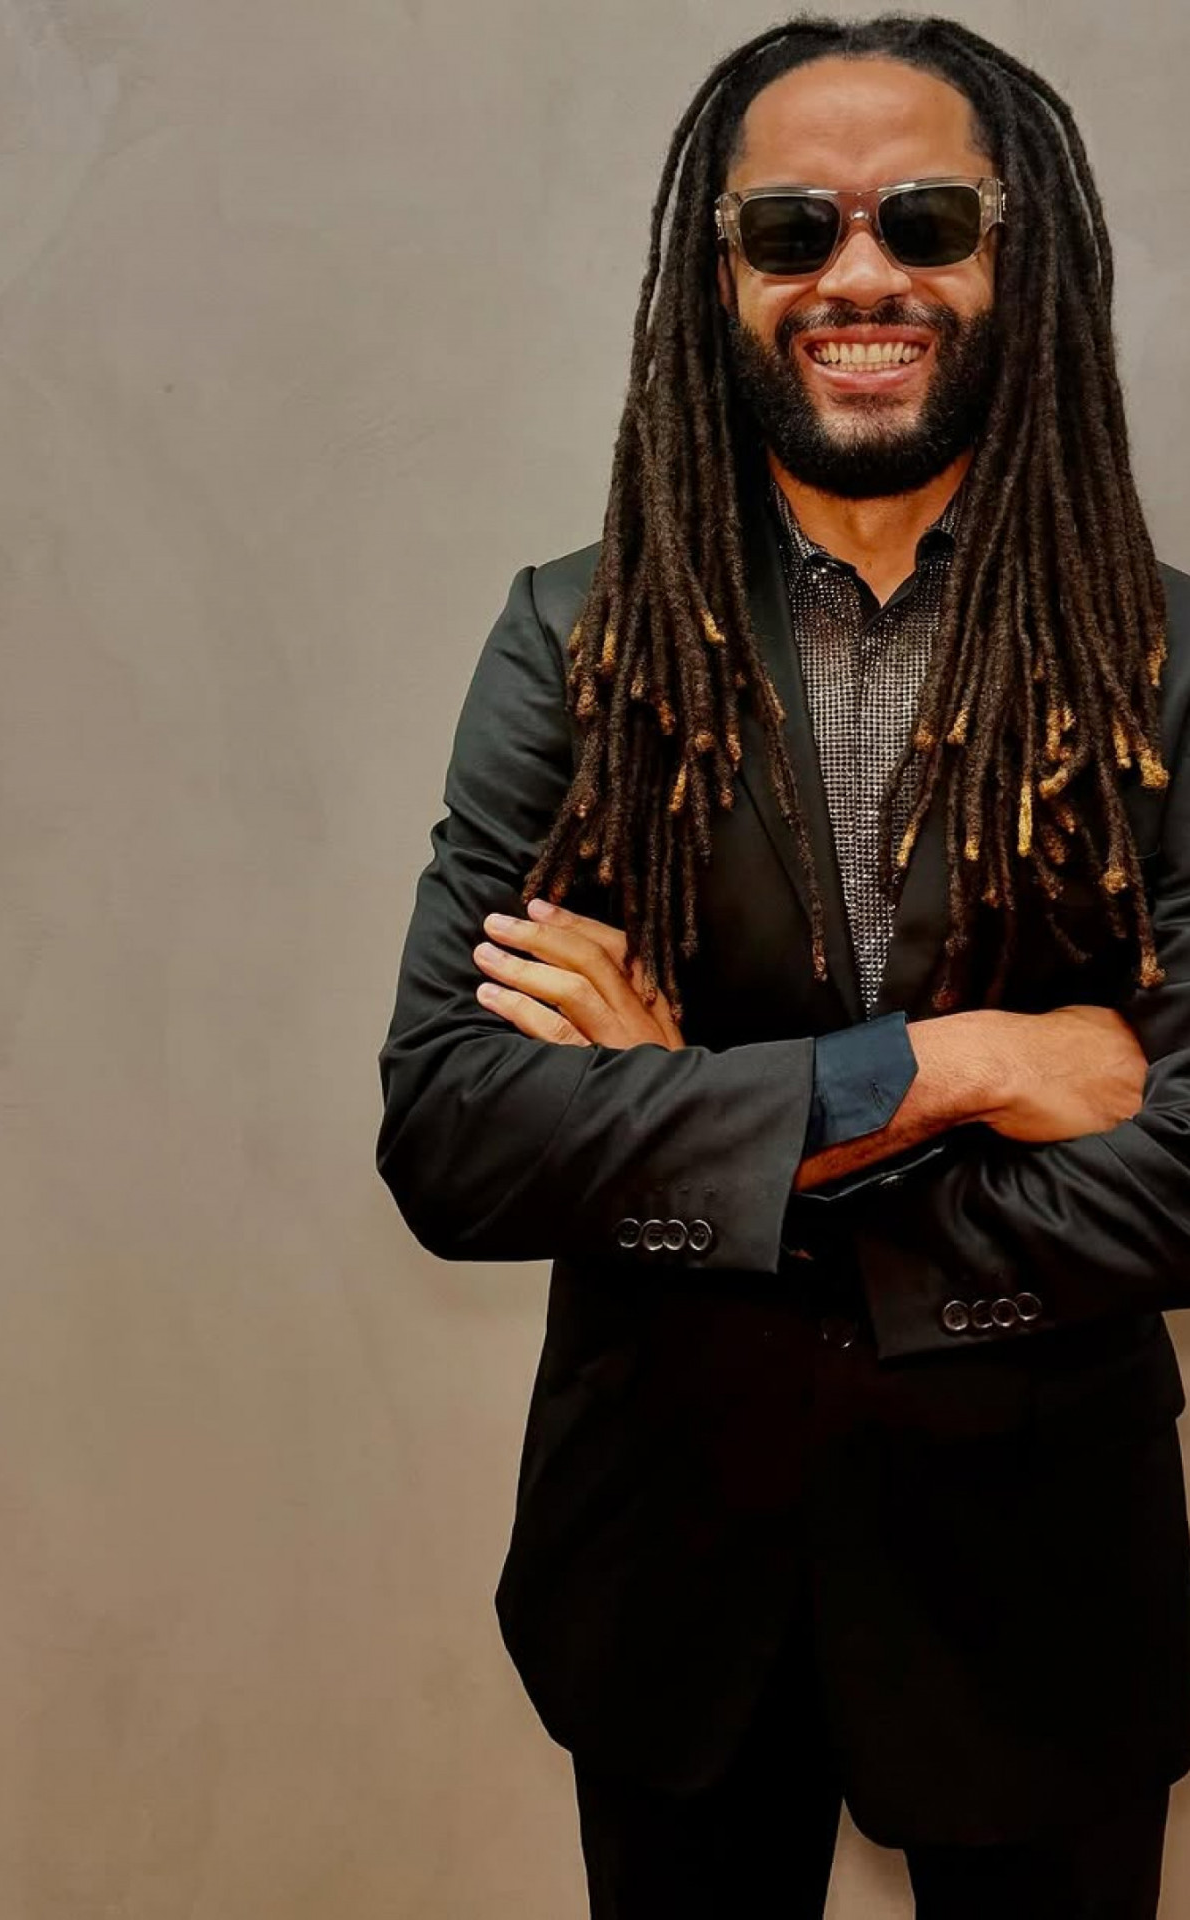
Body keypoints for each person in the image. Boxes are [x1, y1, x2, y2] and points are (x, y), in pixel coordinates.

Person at [376, 15, 1190, 1916]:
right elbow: (457, 1134)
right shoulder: (579, 642)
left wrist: (687, 1117)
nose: (859, 273)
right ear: (719, 274)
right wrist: (968, 1066)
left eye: (927, 218)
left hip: (1042, 1590)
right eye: (792, 229)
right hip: (669, 1574)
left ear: (1017, 257)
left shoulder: (1165, 664)